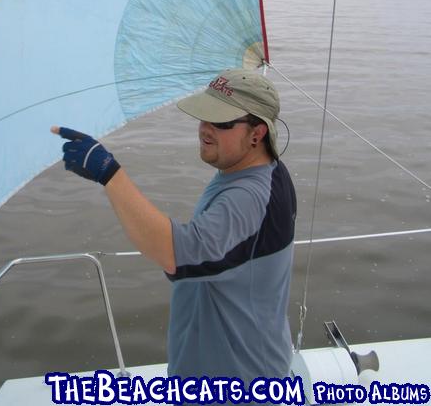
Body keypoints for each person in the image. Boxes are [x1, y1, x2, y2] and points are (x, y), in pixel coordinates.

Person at [51, 68, 296, 382]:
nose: (205, 129)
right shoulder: (265, 170)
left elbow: (175, 253)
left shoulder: (247, 197)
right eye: (203, 116)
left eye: (220, 122)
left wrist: (108, 172)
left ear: (257, 134)